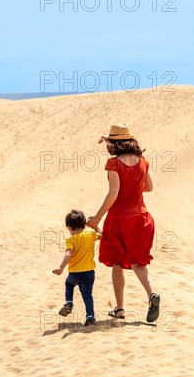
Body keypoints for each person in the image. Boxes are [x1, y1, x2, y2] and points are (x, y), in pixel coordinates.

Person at [86, 123, 161, 323]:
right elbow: (150, 187)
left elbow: (113, 193)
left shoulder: (114, 164)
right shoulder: (143, 161)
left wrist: (97, 217)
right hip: (143, 218)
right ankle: (152, 294)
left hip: (119, 219)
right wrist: (134, 186)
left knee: (117, 263)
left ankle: (119, 309)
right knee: (139, 263)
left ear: (113, 143)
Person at [53, 209, 101, 326]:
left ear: (69, 227)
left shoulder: (71, 240)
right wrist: (95, 226)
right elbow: (103, 235)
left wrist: (61, 268)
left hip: (74, 273)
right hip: (89, 273)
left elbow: (68, 254)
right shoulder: (91, 235)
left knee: (69, 284)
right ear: (84, 224)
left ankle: (69, 303)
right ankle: (90, 316)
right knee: (87, 295)